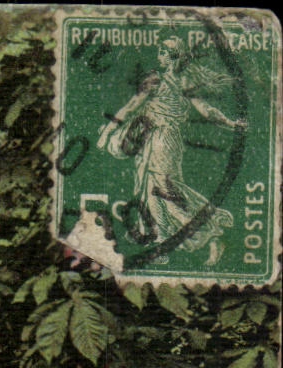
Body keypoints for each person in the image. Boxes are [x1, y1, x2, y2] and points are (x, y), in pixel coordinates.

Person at [97, 36, 244, 265]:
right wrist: (231, 123)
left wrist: (107, 132)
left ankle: (208, 234)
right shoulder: (184, 81)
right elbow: (207, 111)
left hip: (159, 139)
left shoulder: (156, 80)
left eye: (163, 51)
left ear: (172, 56)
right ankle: (161, 239)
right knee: (156, 189)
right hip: (165, 140)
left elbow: (131, 106)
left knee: (161, 190)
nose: (159, 55)